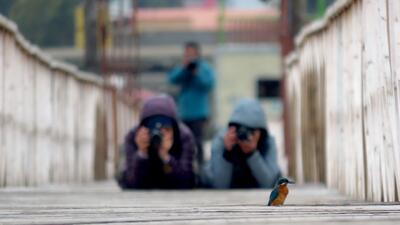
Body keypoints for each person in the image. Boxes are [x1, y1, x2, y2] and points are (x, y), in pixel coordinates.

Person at [118, 94, 196, 189]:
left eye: (166, 129)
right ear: (143, 128)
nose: (158, 134)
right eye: (153, 128)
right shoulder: (133, 137)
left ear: (174, 128)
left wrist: (166, 157)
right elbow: (131, 183)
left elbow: (187, 182)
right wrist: (142, 153)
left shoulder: (184, 137)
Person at [207, 98, 281, 188]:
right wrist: (227, 154)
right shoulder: (221, 140)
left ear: (261, 132)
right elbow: (220, 185)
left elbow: (268, 184)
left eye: (252, 130)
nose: (246, 134)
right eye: (240, 128)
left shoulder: (268, 142)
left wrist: (252, 154)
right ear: (232, 128)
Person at [167, 41, 215, 166]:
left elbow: (208, 84)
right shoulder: (183, 67)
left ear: (198, 54)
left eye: (192, 53)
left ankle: (201, 167)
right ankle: (183, 166)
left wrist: (196, 74)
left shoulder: (204, 68)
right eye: (187, 53)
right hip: (184, 112)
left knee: (198, 142)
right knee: (182, 141)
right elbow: (172, 79)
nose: (189, 56)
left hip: (199, 112)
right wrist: (184, 69)